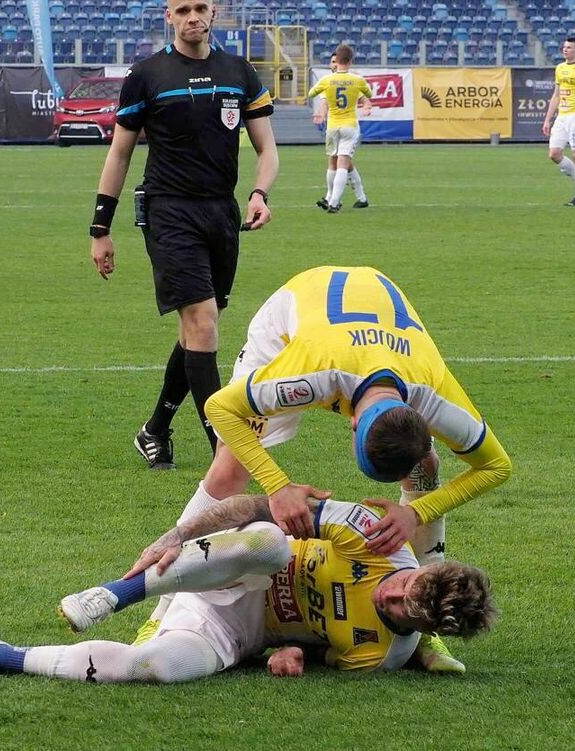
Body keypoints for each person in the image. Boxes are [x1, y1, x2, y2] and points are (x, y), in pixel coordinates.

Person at [146, 264, 513, 672]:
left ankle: (424, 623)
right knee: (231, 466)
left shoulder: (435, 396)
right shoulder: (309, 374)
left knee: (425, 466)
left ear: (419, 418)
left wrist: (416, 511)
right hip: (295, 325)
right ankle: (159, 614)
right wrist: (278, 486)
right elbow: (219, 407)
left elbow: (497, 466)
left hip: (380, 347)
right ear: (352, 424)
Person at [0, 495, 497, 682]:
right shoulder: (373, 537)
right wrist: (175, 534)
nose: (388, 598)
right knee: (273, 544)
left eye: (403, 611)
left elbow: (325, 653)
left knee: (151, 667)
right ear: (420, 566)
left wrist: (290, 652)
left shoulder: (384, 656)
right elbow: (256, 506)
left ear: (422, 629)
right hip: (228, 560)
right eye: (403, 586)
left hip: (236, 629)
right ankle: (115, 593)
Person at [88, 0, 280, 471]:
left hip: (223, 212)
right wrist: (100, 229)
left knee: (199, 330)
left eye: (200, 8)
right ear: (168, 14)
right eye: (183, 10)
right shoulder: (147, 76)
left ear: (214, 11)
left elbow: (268, 150)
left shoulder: (240, 73)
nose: (193, 17)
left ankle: (154, 429)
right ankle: (226, 449)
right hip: (168, 211)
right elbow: (119, 156)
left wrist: (260, 193)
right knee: (202, 322)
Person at [307, 45, 373, 213]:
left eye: (334, 61)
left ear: (338, 62)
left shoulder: (326, 81)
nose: (333, 64)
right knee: (343, 163)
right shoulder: (356, 80)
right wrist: (365, 105)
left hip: (333, 126)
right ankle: (335, 200)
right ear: (350, 61)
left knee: (336, 163)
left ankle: (337, 198)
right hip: (349, 125)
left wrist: (320, 114)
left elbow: (313, 96)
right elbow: (368, 95)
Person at [541, 36, 575, 206]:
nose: (566, 50)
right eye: (564, 47)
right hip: (562, 116)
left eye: (570, 47)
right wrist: (548, 119)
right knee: (554, 154)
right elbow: (556, 95)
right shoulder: (560, 68)